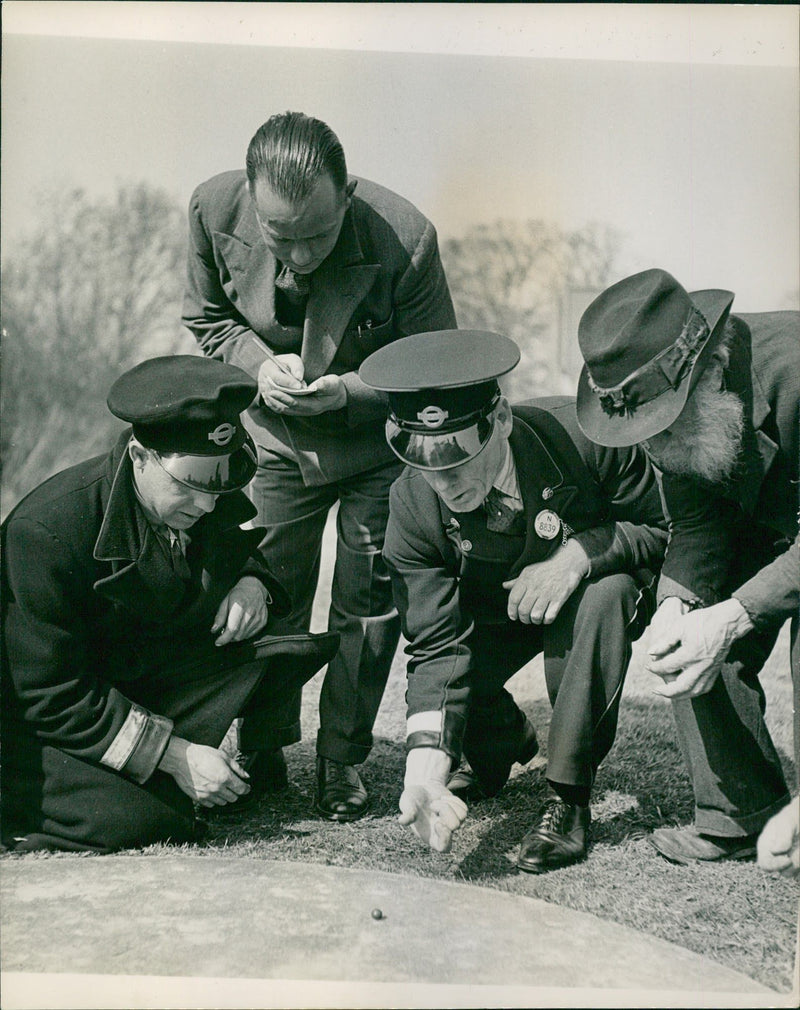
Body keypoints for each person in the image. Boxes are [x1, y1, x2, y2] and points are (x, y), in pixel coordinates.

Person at [182, 111, 457, 822]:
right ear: (248, 200)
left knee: (368, 603)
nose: (300, 257)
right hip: (269, 439)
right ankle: (263, 741)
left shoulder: (409, 238)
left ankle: (342, 757)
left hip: (376, 443)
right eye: (280, 237)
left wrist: (349, 390)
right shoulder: (209, 209)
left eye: (318, 235)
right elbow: (209, 318)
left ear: (349, 194)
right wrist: (254, 362)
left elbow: (436, 369)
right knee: (263, 586)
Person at [0, 355, 339, 853]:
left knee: (284, 650)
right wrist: (173, 755)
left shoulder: (198, 492)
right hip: (39, 723)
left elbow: (242, 550)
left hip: (127, 681)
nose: (206, 506)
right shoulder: (45, 534)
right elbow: (48, 695)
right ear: (139, 457)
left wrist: (252, 585)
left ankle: (209, 760)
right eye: (189, 487)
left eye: (217, 487)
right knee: (143, 818)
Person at [358, 329, 667, 869]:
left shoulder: (585, 435)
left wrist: (578, 555)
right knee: (460, 678)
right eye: (425, 463)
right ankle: (500, 744)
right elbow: (435, 645)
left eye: (456, 458)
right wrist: (425, 768)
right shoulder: (410, 502)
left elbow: (665, 528)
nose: (444, 483)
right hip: (496, 613)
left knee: (606, 593)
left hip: (589, 593)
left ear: (499, 420)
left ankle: (567, 797)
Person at [575, 267, 799, 864]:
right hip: (770, 528)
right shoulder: (671, 416)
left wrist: (738, 614)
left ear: (714, 371)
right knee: (690, 630)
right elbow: (697, 525)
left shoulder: (796, 369)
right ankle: (739, 814)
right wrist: (676, 605)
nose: (653, 444)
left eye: (662, 424)